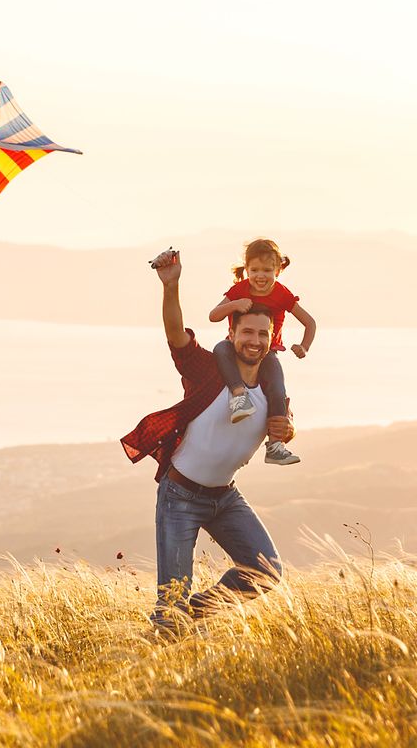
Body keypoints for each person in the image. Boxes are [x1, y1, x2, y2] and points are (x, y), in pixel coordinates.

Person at [121, 248, 294, 632]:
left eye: (263, 334)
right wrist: (171, 286)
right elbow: (175, 335)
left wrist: (287, 429)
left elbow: (283, 424)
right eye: (247, 332)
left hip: (225, 498)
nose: (255, 340)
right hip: (180, 497)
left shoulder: (271, 381)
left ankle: (190, 619)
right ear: (231, 333)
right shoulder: (208, 369)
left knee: (265, 571)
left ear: (272, 337)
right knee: (171, 601)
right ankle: (167, 634)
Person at [207, 238, 316, 466]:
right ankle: (239, 398)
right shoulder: (239, 290)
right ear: (246, 270)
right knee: (220, 349)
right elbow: (214, 315)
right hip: (235, 345)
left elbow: (309, 322)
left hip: (267, 352)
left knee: (277, 388)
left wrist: (303, 346)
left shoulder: (282, 294)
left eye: (267, 270)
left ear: (278, 270)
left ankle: (275, 446)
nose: (260, 275)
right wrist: (235, 304)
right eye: (254, 269)